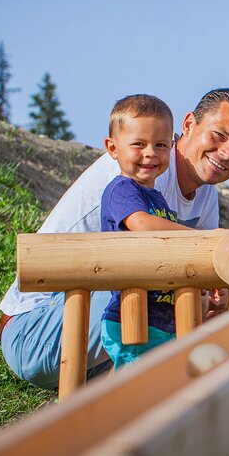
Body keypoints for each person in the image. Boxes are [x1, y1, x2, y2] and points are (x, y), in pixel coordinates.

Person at [0, 88, 229, 389]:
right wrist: (215, 242)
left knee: (218, 304)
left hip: (102, 344)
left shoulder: (205, 198)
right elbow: (148, 232)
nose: (228, 153)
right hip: (36, 331)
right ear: (189, 125)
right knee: (162, 280)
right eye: (219, 135)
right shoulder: (139, 171)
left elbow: (206, 274)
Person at [98, 95, 188, 369]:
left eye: (160, 145)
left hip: (161, 315)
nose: (150, 153)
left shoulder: (157, 199)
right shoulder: (122, 190)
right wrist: (197, 237)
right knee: (136, 389)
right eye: (139, 144)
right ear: (112, 148)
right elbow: (141, 225)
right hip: (133, 314)